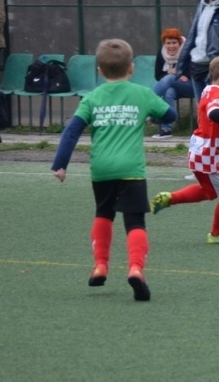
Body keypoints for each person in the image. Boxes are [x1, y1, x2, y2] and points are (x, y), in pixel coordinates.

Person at [51, 38, 177, 302]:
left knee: (103, 214)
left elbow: (72, 130)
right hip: (131, 169)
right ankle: (135, 269)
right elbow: (171, 116)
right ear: (131, 68)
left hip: (102, 170)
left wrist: (60, 163)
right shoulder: (141, 94)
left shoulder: (92, 97)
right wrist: (152, 116)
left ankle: (100, 266)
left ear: (99, 70)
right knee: (135, 222)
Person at [150, 52, 219, 244]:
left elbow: (216, 113)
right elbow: (215, 113)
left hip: (202, 153)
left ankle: (169, 198)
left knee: (209, 192)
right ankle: (218, 233)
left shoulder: (209, 90)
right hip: (210, 156)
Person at [152, 27, 194, 138]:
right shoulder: (161, 53)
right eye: (168, 43)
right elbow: (158, 75)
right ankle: (166, 129)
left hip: (190, 85)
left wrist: (180, 73)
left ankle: (148, 102)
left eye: (174, 43)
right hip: (175, 86)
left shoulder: (187, 51)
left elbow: (195, 70)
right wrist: (174, 74)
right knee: (169, 92)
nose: (171, 46)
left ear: (179, 43)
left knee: (170, 78)